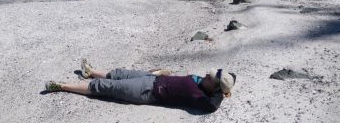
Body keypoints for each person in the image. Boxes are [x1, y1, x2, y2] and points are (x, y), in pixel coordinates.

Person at [44, 59, 236, 113]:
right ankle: (91, 71)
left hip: (147, 91)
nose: (206, 75)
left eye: (210, 78)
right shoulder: (202, 83)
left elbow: (212, 106)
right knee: (119, 73)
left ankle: (60, 86)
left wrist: (222, 92)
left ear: (215, 88)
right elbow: (232, 76)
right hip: (151, 78)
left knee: (105, 86)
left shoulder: (200, 96)